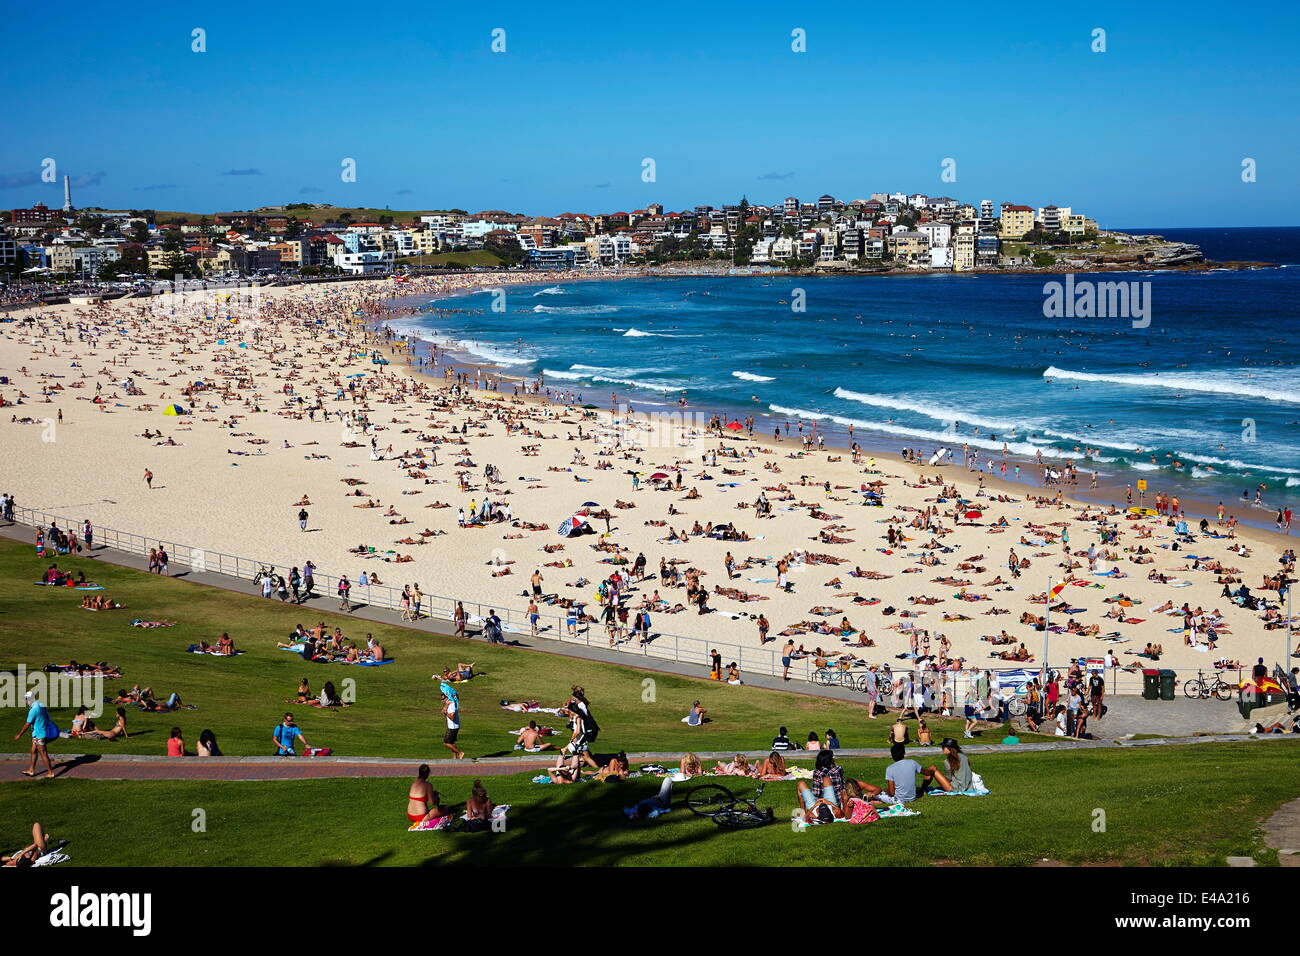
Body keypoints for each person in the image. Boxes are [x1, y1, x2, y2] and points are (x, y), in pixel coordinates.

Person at [14, 691, 57, 778]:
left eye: (26, 700)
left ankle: (50, 773)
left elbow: (27, 724)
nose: (25, 702)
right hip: (38, 734)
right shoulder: (40, 704)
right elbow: (47, 716)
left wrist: (19, 734)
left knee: (43, 753)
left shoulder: (33, 709)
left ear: (29, 699)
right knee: (33, 751)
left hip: (39, 735)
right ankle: (31, 770)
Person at [442, 690, 465, 760]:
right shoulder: (450, 704)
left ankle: (460, 752)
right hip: (454, 726)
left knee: (446, 742)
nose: (442, 700)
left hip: (453, 727)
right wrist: (446, 705)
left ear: (448, 698)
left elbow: (452, 717)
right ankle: (454, 758)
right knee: (452, 742)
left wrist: (445, 713)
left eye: (443, 698)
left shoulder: (452, 705)